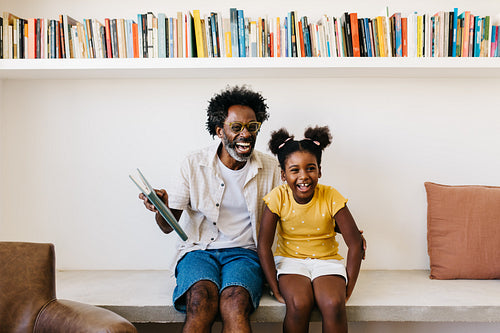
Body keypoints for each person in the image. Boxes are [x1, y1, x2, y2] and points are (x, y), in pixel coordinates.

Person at [139, 85, 281, 333]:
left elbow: (293, 212)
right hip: (198, 251)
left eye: (252, 126)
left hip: (245, 253)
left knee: (235, 303)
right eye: (236, 128)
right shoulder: (193, 164)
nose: (245, 134)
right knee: (200, 300)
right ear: (219, 131)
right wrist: (160, 208)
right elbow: (167, 227)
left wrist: (336, 226)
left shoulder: (270, 167)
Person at [257, 126, 364, 333]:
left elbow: (355, 242)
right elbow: (263, 245)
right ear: (283, 174)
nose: (303, 176)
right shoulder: (277, 198)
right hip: (290, 261)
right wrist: (274, 285)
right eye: (295, 170)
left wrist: (349, 287)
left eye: (311, 168)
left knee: (333, 304)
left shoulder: (331, 196)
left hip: (327, 261)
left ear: (320, 171)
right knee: (299, 304)